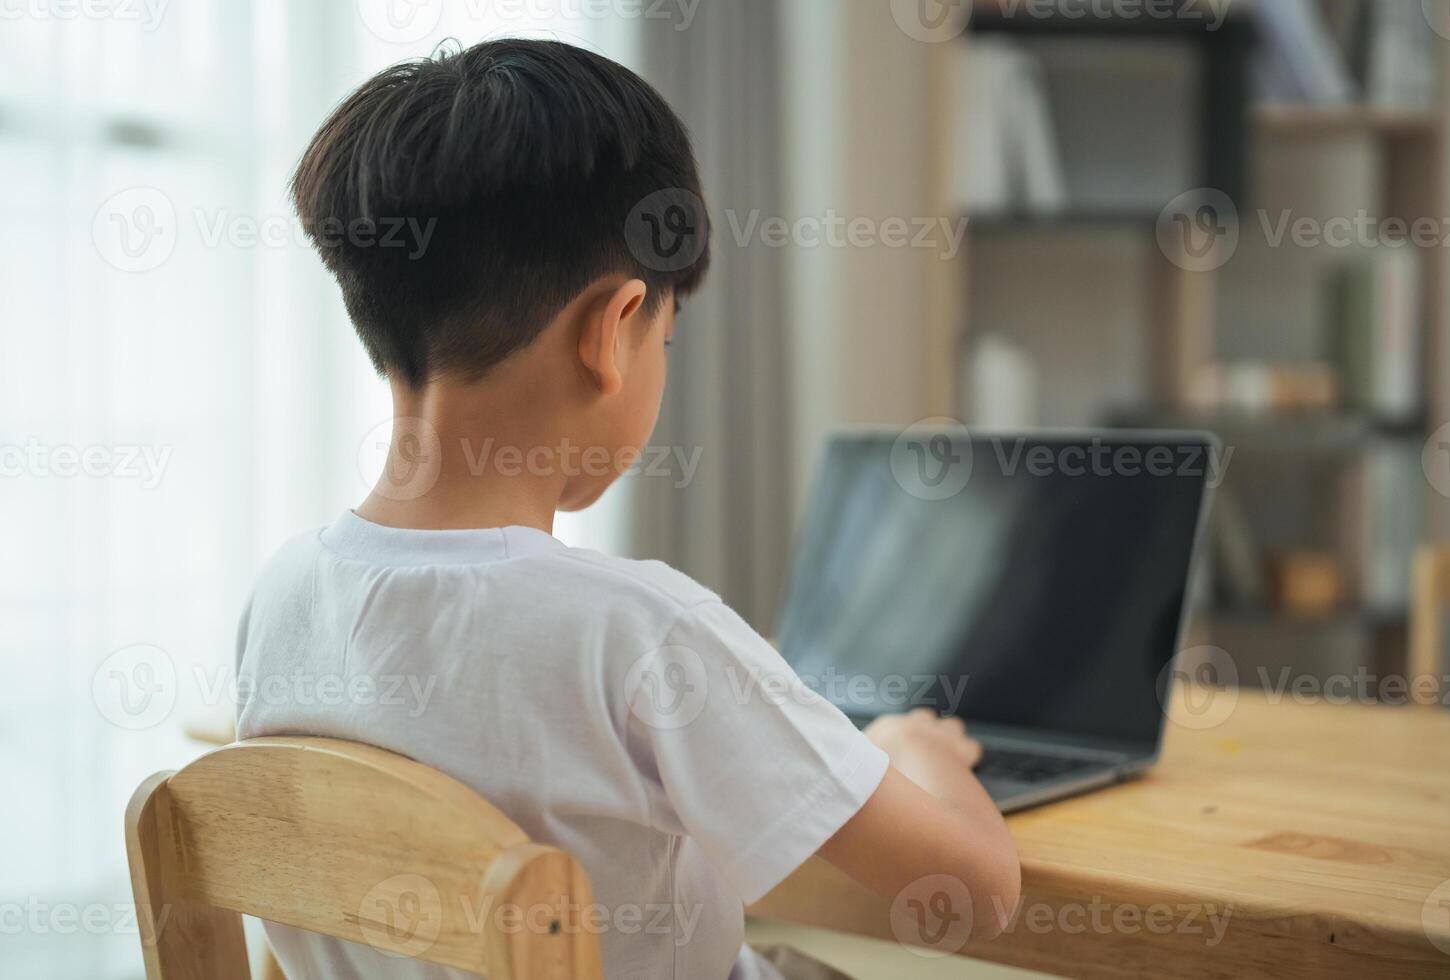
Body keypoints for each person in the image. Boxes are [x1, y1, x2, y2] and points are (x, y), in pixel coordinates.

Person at [235, 38, 1019, 980]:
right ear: (612, 332)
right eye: (666, 338)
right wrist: (916, 753)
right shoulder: (640, 632)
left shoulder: (279, 599)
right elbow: (976, 893)